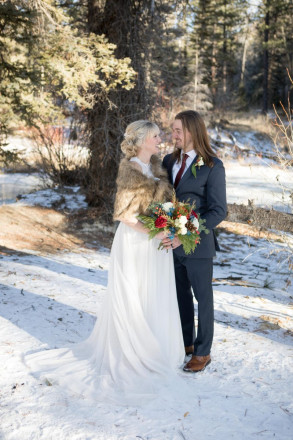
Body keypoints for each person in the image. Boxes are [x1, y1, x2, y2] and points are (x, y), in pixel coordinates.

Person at [25, 120, 185, 405]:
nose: (160, 139)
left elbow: (162, 207)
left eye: (160, 135)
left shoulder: (157, 168)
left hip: (155, 244)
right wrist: (155, 230)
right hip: (136, 242)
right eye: (155, 136)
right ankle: (133, 354)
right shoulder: (130, 169)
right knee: (134, 296)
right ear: (141, 141)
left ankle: (157, 348)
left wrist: (170, 224)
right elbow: (124, 214)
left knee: (153, 295)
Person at [162, 110, 227, 373]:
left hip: (198, 245)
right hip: (170, 244)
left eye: (178, 130)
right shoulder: (168, 161)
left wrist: (185, 233)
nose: (173, 135)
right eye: (173, 130)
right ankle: (186, 344)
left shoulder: (213, 166)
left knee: (203, 299)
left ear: (192, 132)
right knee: (180, 296)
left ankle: (203, 352)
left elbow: (218, 211)